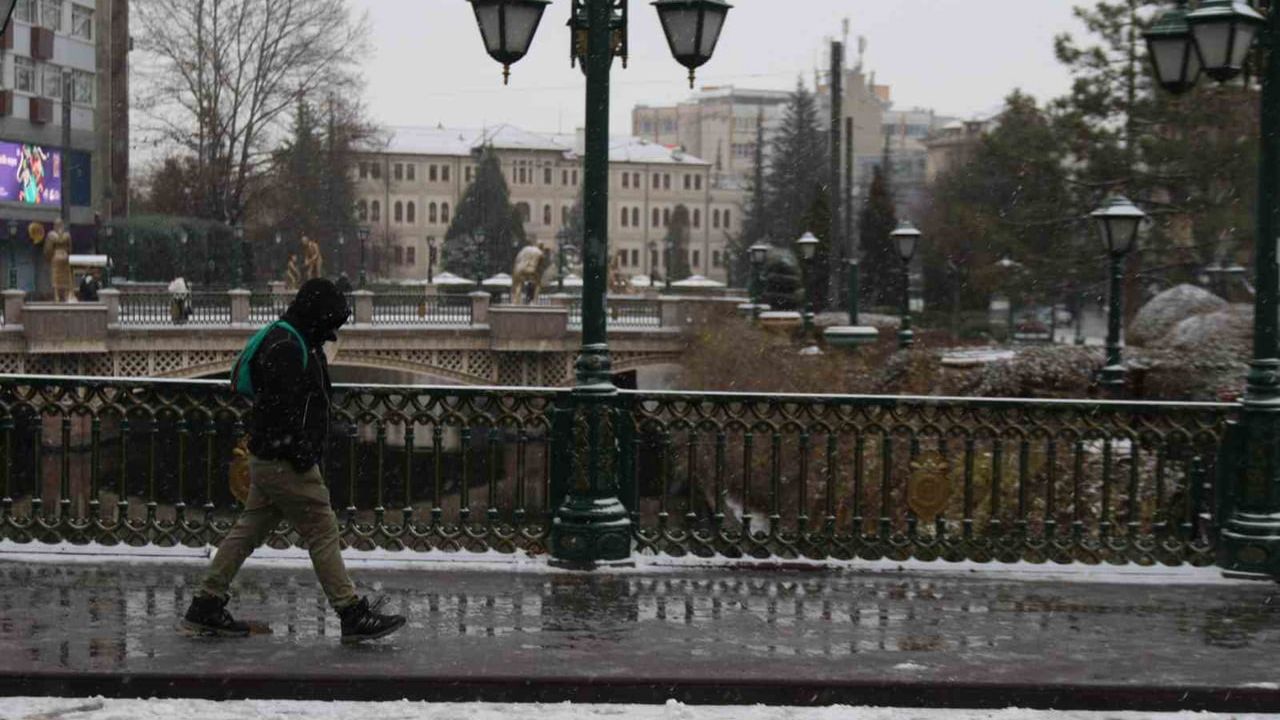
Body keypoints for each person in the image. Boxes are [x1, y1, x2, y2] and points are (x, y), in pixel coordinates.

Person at [182, 278, 407, 644]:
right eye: (331, 323)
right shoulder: (288, 346)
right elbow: (279, 409)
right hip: (284, 460)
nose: (333, 333)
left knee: (247, 530)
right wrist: (301, 452)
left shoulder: (293, 338)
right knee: (322, 529)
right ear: (317, 315)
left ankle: (205, 604)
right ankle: (351, 613)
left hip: (271, 458)